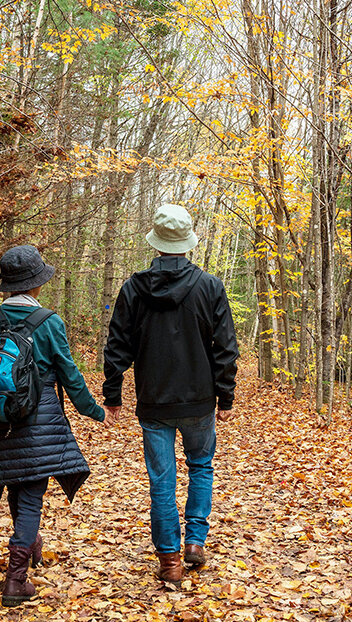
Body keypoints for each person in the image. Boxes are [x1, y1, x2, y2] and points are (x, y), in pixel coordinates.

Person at [102, 203, 239, 584]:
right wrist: (224, 397)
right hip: (198, 400)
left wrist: (113, 395)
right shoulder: (210, 286)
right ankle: (194, 541)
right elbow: (225, 348)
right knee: (200, 466)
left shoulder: (133, 288)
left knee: (162, 480)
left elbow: (117, 347)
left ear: (157, 242)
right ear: (187, 243)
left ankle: (170, 561)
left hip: (154, 401)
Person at [0, 245, 106, 607]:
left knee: (16, 483)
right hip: (38, 419)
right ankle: (16, 580)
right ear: (37, 284)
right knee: (30, 495)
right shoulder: (49, 322)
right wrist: (94, 411)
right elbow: (70, 375)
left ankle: (31, 542)